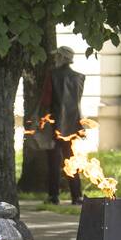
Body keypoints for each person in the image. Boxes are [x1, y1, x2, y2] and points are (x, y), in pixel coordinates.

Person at [41, 46, 86, 205]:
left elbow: (46, 100)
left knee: (53, 161)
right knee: (71, 159)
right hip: (73, 124)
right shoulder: (79, 77)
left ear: (61, 57)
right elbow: (76, 102)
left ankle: (53, 196)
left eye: (57, 56)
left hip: (55, 124)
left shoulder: (52, 75)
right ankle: (77, 196)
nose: (55, 59)